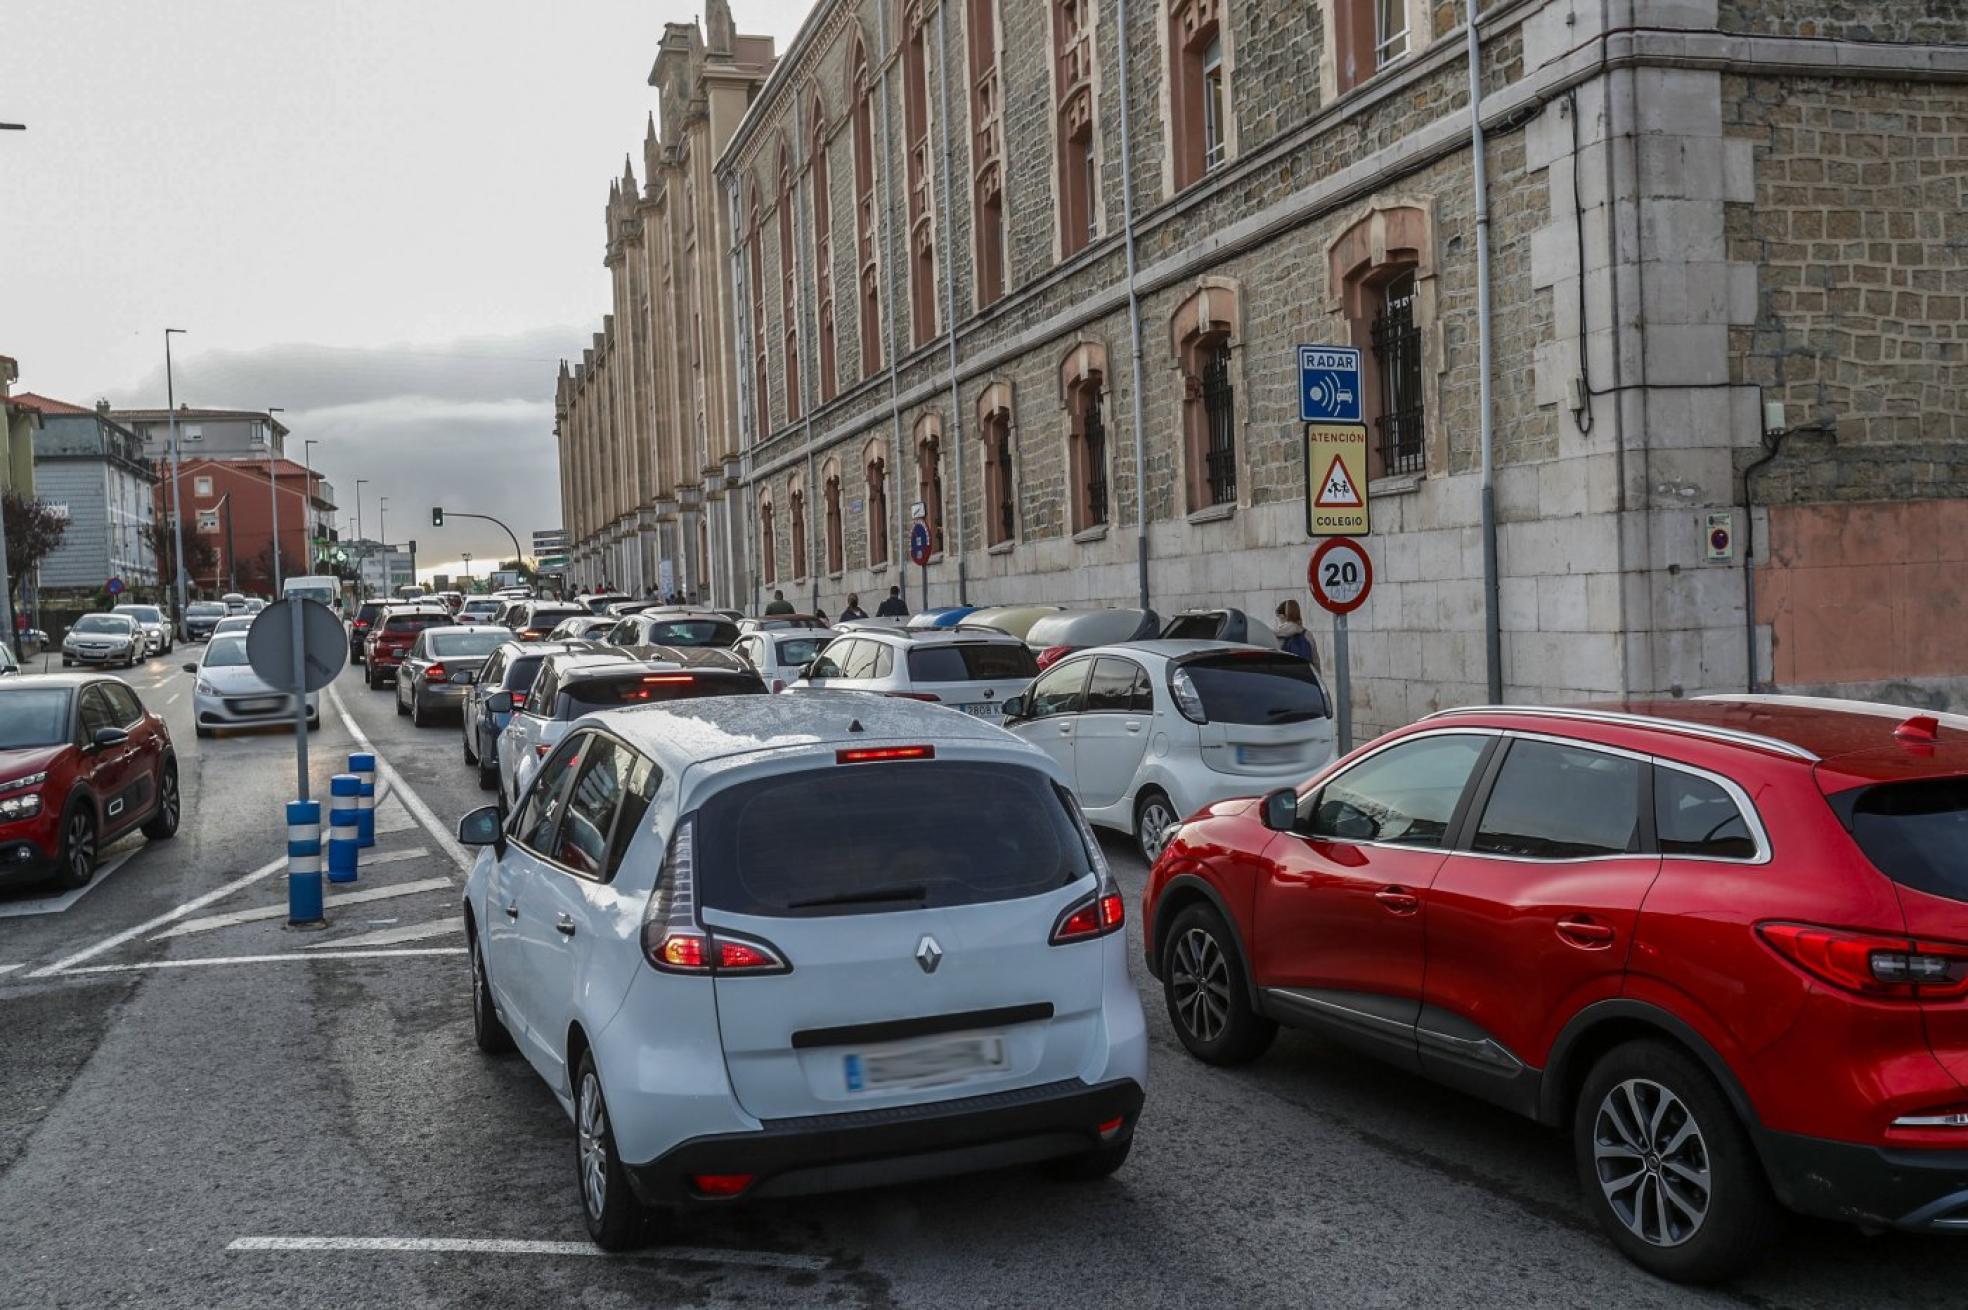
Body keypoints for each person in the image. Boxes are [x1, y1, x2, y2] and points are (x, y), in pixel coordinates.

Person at [1274, 599, 1318, 670]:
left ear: (1282, 616)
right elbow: (1315, 662)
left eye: (1278, 617)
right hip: (1304, 678)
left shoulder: (1277, 636)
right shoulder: (1307, 634)